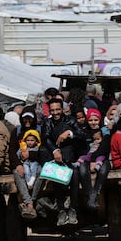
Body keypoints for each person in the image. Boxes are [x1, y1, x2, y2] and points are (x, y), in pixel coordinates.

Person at [42, 97, 86, 226]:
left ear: (62, 109)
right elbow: (46, 138)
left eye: (57, 109)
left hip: (70, 155)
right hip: (54, 156)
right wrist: (55, 150)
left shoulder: (71, 120)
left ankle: (73, 209)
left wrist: (69, 132)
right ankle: (61, 210)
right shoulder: (47, 122)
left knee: (74, 174)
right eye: (52, 110)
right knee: (57, 175)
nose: (55, 113)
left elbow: (82, 135)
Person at [77, 108, 111, 209]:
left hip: (101, 157)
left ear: (99, 120)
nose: (93, 123)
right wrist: (90, 159)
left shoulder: (105, 131)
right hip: (87, 157)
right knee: (83, 170)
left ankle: (96, 192)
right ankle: (89, 194)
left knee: (103, 170)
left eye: (95, 120)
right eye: (90, 120)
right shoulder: (84, 132)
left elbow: (104, 147)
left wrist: (93, 159)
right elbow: (83, 149)